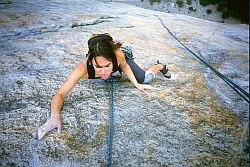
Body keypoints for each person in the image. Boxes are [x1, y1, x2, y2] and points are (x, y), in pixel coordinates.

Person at [37, 33, 171, 140]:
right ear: (91, 62)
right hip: (111, 62)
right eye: (98, 67)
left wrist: (137, 84)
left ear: (113, 60)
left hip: (122, 59)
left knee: (145, 79)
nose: (104, 71)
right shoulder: (84, 68)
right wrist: (54, 116)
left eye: (107, 66)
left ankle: (159, 66)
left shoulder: (118, 55)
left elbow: (124, 65)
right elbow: (59, 94)